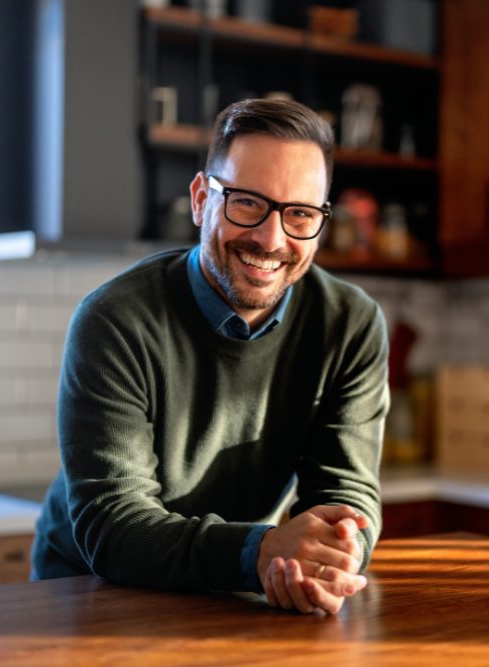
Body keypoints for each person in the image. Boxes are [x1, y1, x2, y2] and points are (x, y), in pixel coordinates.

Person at [31, 98, 389, 615]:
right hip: (90, 591)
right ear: (202, 199)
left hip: (235, 591)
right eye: (247, 202)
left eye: (301, 214)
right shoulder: (114, 320)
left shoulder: (351, 324)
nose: (272, 239)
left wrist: (332, 555)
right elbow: (113, 524)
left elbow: (346, 489)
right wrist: (261, 551)